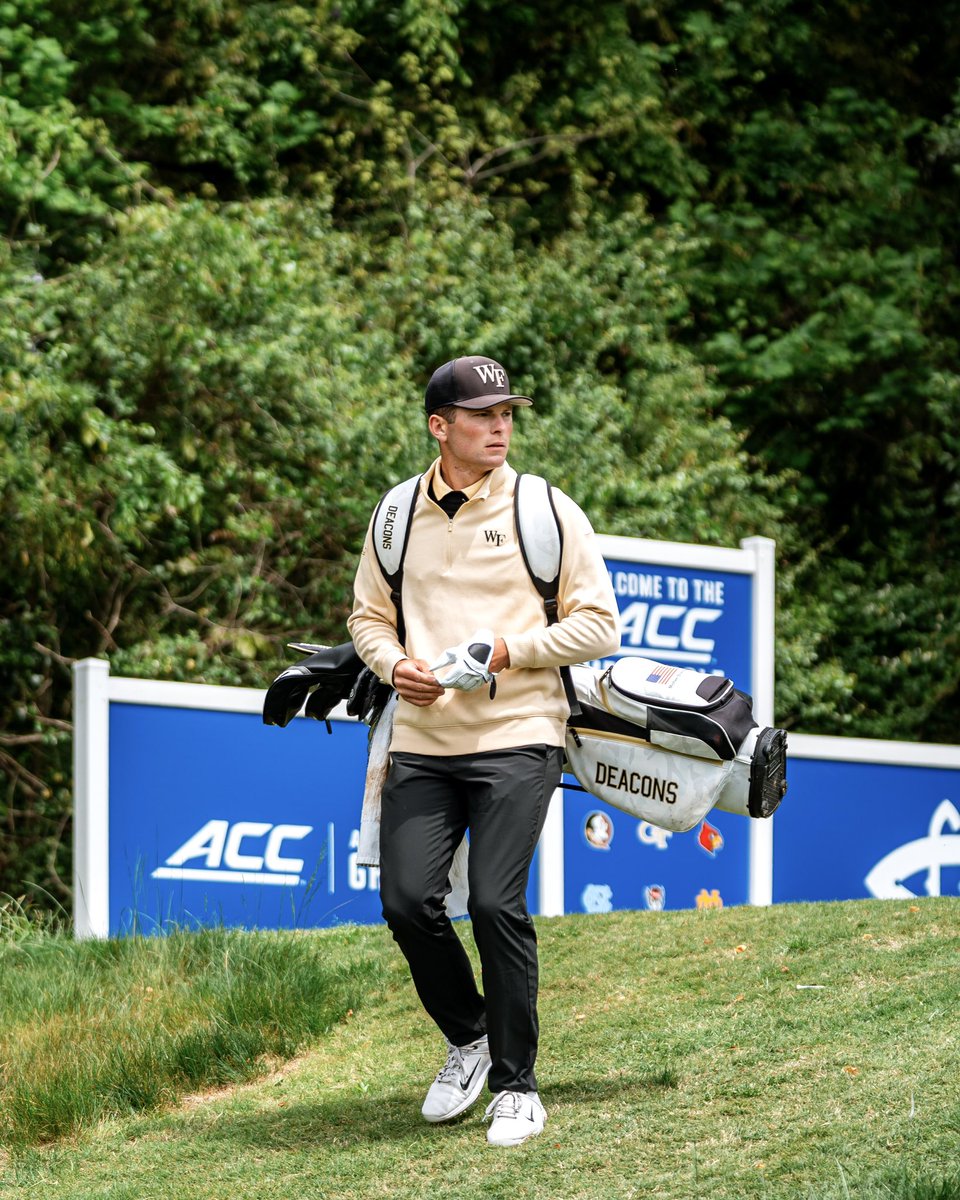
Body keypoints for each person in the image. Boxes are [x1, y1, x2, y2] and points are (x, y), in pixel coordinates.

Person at [347, 354, 620, 1147]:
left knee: (497, 904)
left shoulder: (545, 508)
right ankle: (468, 1037)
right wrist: (392, 664)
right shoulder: (395, 515)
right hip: (423, 743)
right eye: (482, 415)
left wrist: (507, 651)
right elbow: (368, 618)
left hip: (518, 736)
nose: (500, 427)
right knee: (405, 903)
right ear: (440, 427)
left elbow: (599, 625)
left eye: (507, 414)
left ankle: (516, 1084)